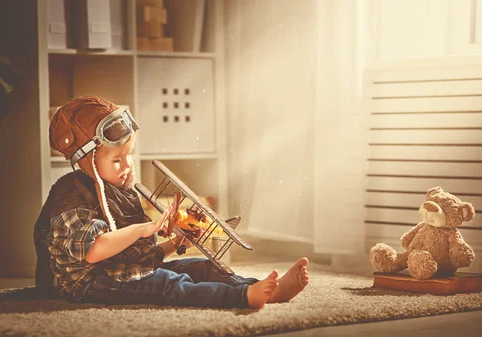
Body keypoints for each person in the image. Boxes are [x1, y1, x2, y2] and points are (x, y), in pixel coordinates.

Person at [33, 95, 309, 309]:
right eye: (117, 159)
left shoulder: (117, 190)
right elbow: (93, 252)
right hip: (92, 283)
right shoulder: (71, 198)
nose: (127, 165)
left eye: (129, 155)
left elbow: (133, 257)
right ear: (87, 161)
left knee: (202, 265)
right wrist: (144, 229)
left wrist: (177, 242)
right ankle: (242, 297)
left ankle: (261, 288)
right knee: (168, 283)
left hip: (120, 270)